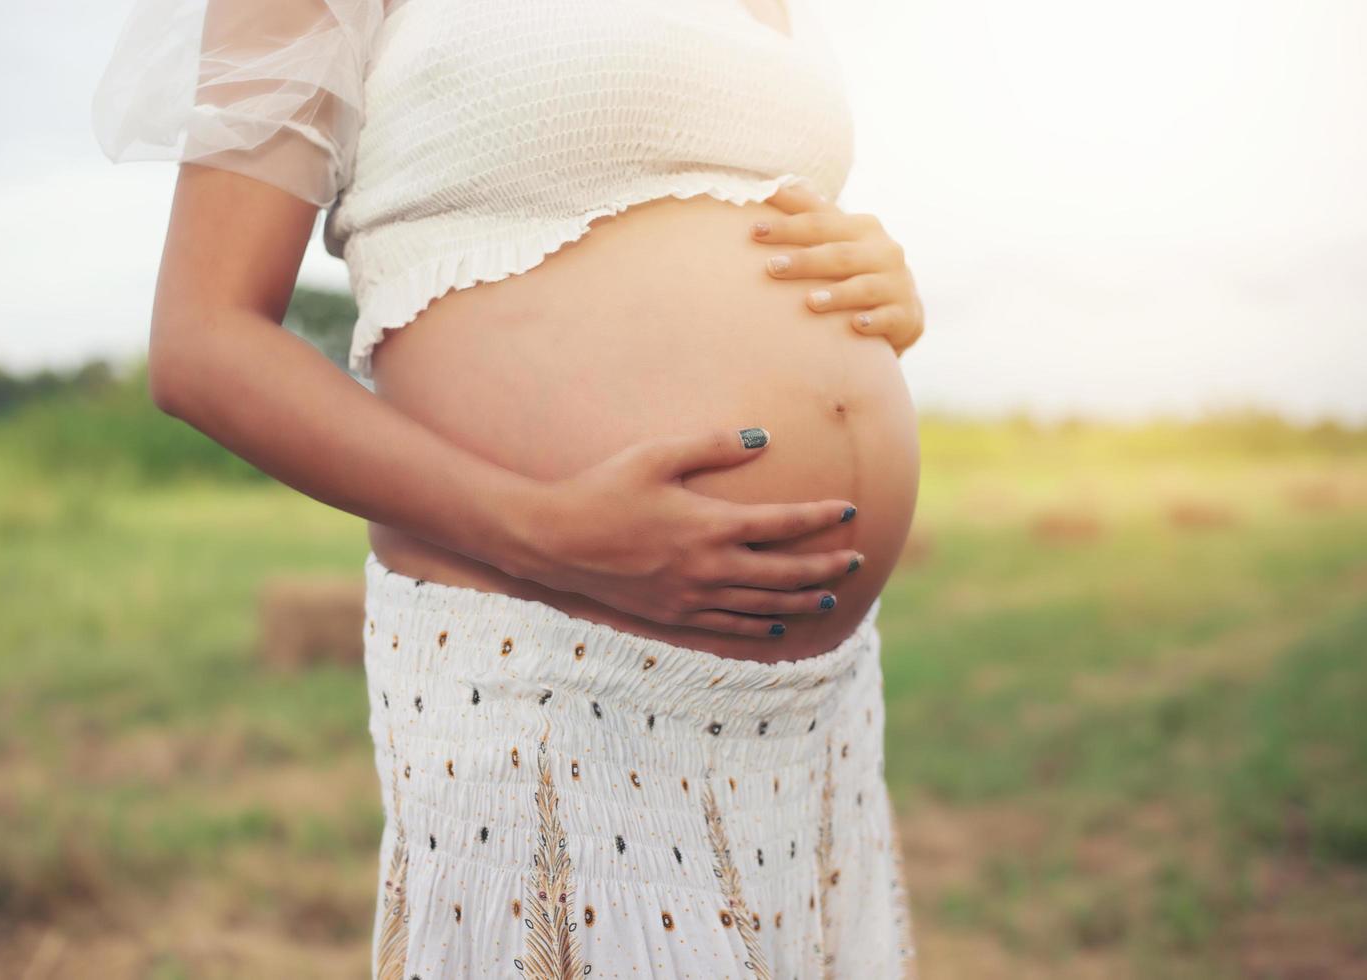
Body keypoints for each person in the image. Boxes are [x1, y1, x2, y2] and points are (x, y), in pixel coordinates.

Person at [93, 0, 924, 975]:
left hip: (813, 717)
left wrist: (878, 285)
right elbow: (203, 340)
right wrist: (543, 530)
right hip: (552, 666)